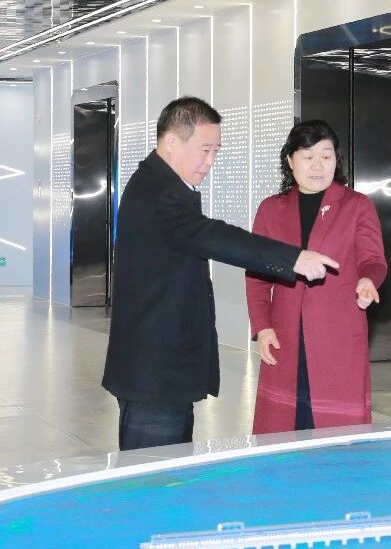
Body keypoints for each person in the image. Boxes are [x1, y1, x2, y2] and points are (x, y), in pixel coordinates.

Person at [103, 97, 338, 451]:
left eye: (216, 151)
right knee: (153, 475)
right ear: (172, 142)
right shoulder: (158, 193)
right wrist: (292, 258)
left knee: (170, 470)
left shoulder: (161, 184)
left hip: (164, 370)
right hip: (155, 374)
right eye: (205, 150)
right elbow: (212, 236)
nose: (210, 161)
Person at [246, 120, 388, 433]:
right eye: (308, 156)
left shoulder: (356, 205)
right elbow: (257, 276)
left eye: (326, 156)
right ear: (290, 160)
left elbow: (373, 259)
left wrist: (368, 280)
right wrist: (263, 326)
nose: (318, 165)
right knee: (285, 422)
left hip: (338, 331)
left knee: (336, 427)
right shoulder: (271, 209)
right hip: (285, 332)